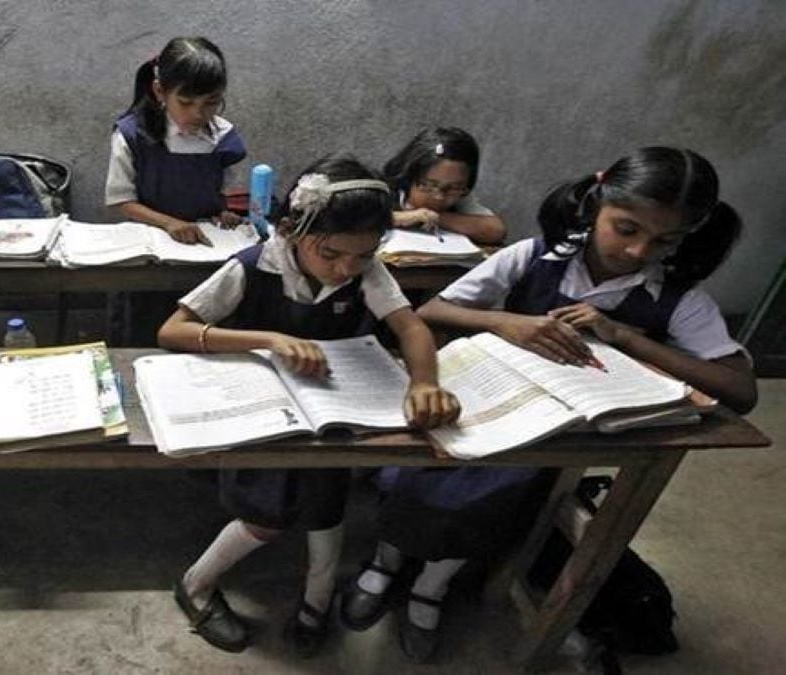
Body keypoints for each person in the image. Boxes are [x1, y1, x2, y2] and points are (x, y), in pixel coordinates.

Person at [342, 146, 758, 662]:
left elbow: (741, 391)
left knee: (495, 494)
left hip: (557, 435)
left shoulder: (678, 298)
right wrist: (507, 322)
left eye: (664, 240)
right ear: (596, 203)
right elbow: (432, 311)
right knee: (418, 469)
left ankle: (431, 587)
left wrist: (626, 337)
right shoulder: (534, 257)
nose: (638, 251)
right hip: (488, 400)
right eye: (626, 229)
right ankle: (384, 565)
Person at [159, 155, 460, 657]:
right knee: (264, 516)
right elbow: (174, 330)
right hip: (266, 418)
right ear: (291, 229)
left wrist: (425, 382)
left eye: (364, 255)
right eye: (331, 253)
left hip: (332, 418)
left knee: (326, 511)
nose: (347, 268)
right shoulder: (253, 266)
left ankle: (315, 605)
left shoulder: (365, 272)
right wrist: (269, 339)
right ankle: (195, 584)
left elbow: (411, 327)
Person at [105, 36, 247, 245]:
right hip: (151, 242)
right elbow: (121, 201)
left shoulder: (223, 137)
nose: (198, 114)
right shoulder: (132, 135)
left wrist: (223, 213)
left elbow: (219, 194)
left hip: (206, 242)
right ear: (160, 92)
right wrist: (170, 223)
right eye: (186, 103)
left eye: (212, 102)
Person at [381, 127, 506, 245]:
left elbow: (496, 230)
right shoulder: (383, 190)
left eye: (452, 188)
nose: (439, 196)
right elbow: (367, 217)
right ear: (408, 177)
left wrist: (434, 217)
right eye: (429, 185)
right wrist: (397, 218)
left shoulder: (461, 196)